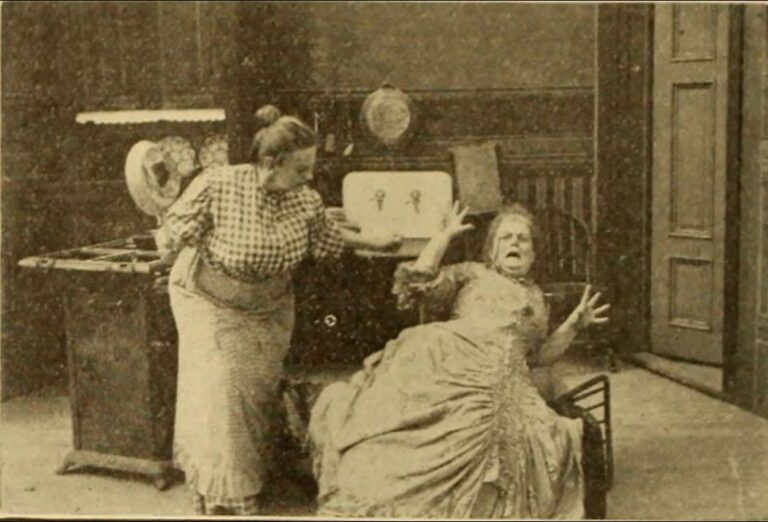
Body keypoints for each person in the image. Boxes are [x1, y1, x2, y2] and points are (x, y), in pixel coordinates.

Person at [154, 105, 401, 515]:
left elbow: (327, 240)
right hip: (209, 300)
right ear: (271, 163)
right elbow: (174, 231)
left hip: (270, 307)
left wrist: (374, 241)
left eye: (311, 168)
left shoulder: (306, 200)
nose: (310, 176)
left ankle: (254, 473)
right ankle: (228, 493)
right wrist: (165, 241)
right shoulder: (219, 184)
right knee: (223, 389)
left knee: (257, 394)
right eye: (301, 169)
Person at [308, 202, 610, 519]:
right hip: (445, 355)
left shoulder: (537, 297)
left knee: (513, 440)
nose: (515, 243)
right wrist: (444, 235)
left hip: (503, 375)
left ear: (533, 254)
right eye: (506, 237)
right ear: (492, 250)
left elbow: (538, 357)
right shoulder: (473, 273)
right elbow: (420, 279)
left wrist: (573, 326)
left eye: (523, 239)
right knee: (408, 426)